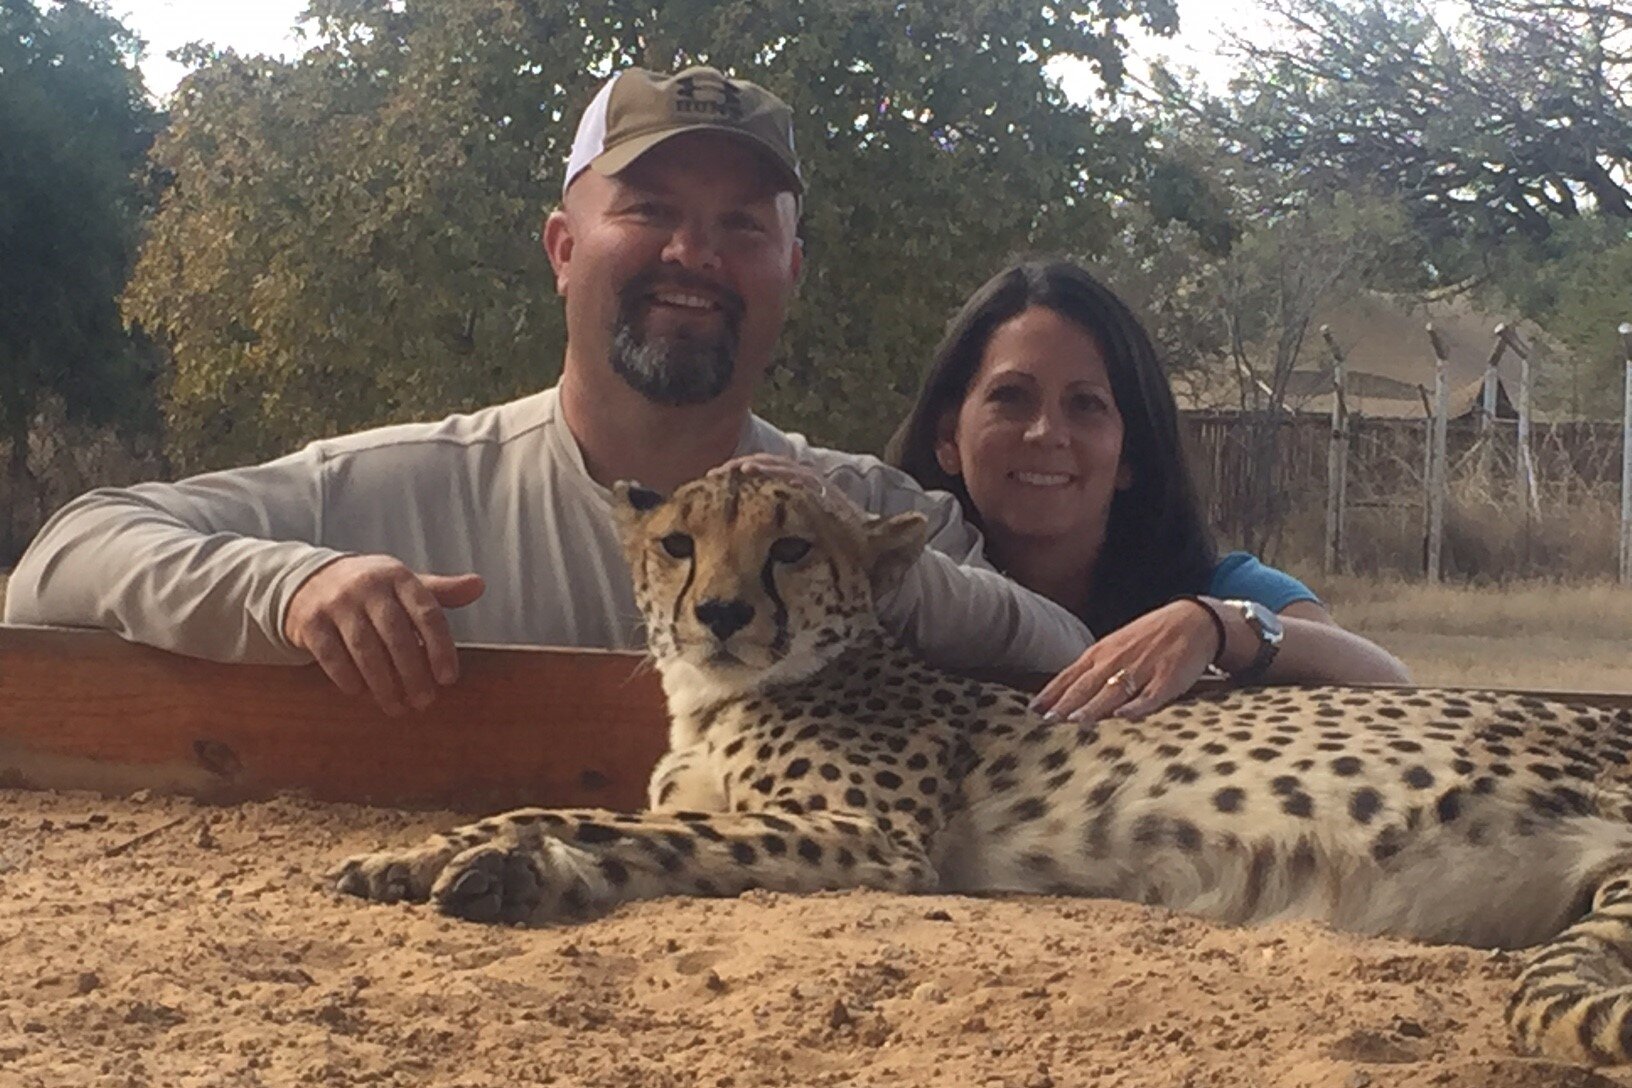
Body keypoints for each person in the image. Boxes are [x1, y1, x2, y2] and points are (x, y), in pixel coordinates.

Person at [4, 67, 1091, 715]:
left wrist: (850, 556)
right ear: (563, 248)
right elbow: (63, 558)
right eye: (651, 209)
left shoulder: (860, 504)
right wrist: (287, 591)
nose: (695, 255)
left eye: (741, 227)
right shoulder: (391, 491)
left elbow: (1066, 655)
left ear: (789, 275)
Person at [885, 259, 1410, 723]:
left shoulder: (1220, 585)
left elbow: (1393, 687)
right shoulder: (894, 592)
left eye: (1086, 404)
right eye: (1011, 397)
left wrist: (1216, 627)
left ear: (1129, 455)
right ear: (946, 437)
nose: (1046, 432)